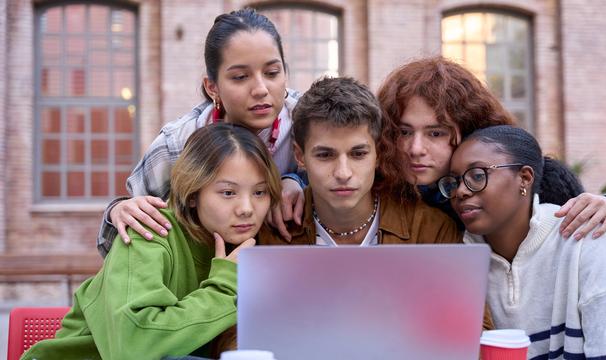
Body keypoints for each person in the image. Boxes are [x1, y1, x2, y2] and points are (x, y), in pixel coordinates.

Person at [21, 124, 282, 360]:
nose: (247, 208)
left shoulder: (254, 247)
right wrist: (224, 287)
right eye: (228, 193)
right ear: (193, 194)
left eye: (259, 192)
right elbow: (135, 347)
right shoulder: (148, 233)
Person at [256, 76, 493, 329]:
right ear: (299, 156)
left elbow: (474, 333)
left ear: (379, 153)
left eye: (358, 154)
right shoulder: (274, 233)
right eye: (325, 155)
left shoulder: (431, 230)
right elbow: (241, 331)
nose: (343, 172)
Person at [375, 56, 606, 268]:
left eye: (436, 133)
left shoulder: (544, 180)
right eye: (404, 132)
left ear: (470, 129)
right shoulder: (381, 193)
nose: (415, 149)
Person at [96, 8, 301, 255]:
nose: (260, 89)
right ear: (212, 87)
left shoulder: (308, 122)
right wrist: (120, 211)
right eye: (240, 77)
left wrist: (297, 181)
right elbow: (120, 241)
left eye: (271, 73)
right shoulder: (176, 145)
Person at [439, 125, 606, 358]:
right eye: (453, 182)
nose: (461, 191)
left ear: (524, 178)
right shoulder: (457, 259)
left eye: (477, 176)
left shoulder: (584, 235)